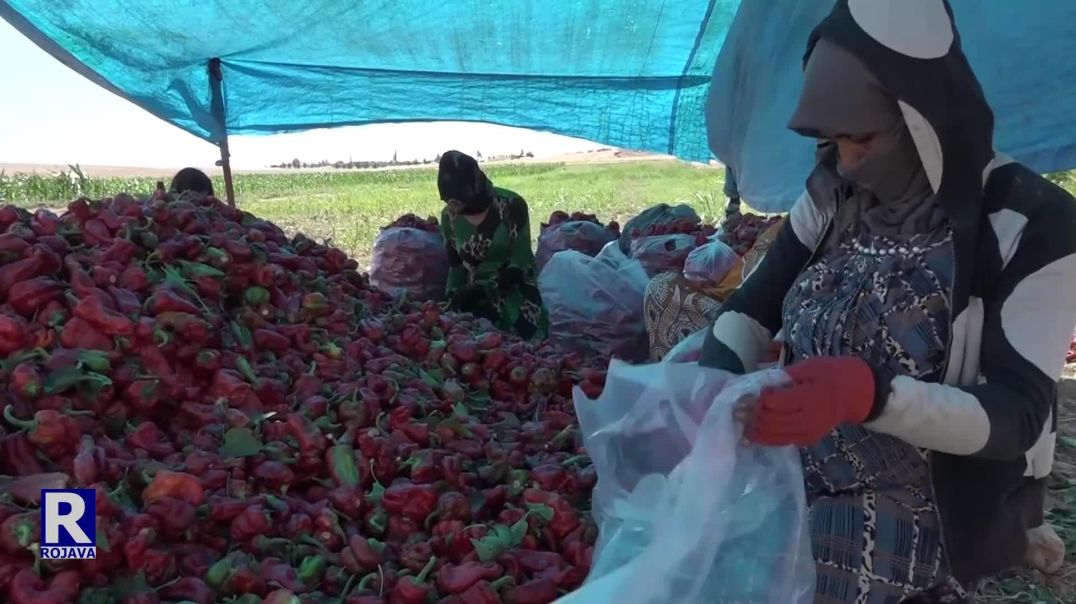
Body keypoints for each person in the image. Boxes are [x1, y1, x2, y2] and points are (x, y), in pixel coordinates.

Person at [699, 2, 1076, 603]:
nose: (845, 162)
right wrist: (701, 393)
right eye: (833, 142)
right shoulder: (834, 197)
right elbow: (753, 307)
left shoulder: (1029, 223)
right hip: (799, 472)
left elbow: (1017, 416)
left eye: (863, 141)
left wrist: (870, 394)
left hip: (928, 503)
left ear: (925, 117)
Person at [437, 150, 548, 340]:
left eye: (456, 201)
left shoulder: (512, 205)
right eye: (447, 201)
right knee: (474, 354)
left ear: (473, 188)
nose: (451, 206)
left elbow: (520, 262)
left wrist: (485, 289)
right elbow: (455, 266)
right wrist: (453, 296)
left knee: (525, 355)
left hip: (516, 292)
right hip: (475, 298)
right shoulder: (449, 217)